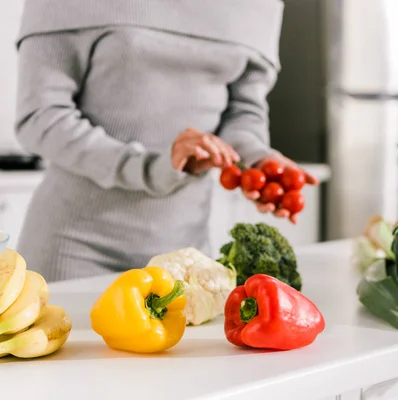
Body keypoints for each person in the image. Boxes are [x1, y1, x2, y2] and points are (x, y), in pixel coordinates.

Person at [13, 0, 317, 282]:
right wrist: (152, 167)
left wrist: (256, 159)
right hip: (73, 251)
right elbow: (40, 117)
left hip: (185, 257)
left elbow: (242, 112)